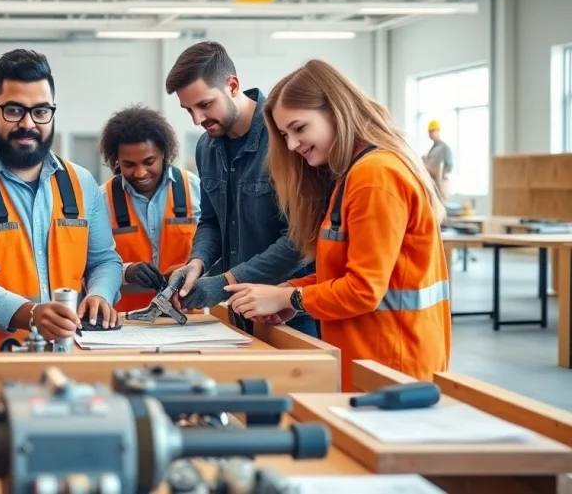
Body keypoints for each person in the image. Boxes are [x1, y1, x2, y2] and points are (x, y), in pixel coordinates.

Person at [225, 60, 451, 391]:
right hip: (372, 360)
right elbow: (343, 272)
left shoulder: (374, 176)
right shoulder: (351, 175)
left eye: (299, 128)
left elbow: (363, 290)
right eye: (285, 135)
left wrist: (290, 298)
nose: (292, 145)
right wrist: (287, 291)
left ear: (335, 112)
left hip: (393, 367)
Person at [0, 49, 124, 351]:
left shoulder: (82, 183)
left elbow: (104, 260)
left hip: (69, 357)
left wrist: (100, 293)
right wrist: (31, 314)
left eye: (40, 111)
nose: (28, 123)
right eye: (14, 110)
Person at [163, 41, 320, 338]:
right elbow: (211, 221)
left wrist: (224, 282)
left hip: (292, 314)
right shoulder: (206, 148)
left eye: (205, 105)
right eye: (188, 110)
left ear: (232, 86)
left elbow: (300, 239)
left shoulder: (285, 140)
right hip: (239, 312)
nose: (197, 120)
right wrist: (197, 263)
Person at [98, 104, 202, 312]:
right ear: (116, 159)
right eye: (129, 164)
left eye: (149, 161)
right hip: (125, 321)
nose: (140, 173)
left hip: (188, 318)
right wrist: (126, 272)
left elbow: (215, 251)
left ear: (163, 152)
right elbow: (91, 263)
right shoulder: (101, 200)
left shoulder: (194, 189)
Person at [422, 119, 453, 200]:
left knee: (441, 206)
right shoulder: (432, 149)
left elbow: (450, 168)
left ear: (438, 131)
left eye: (432, 131)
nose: (430, 134)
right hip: (433, 185)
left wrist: (435, 170)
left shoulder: (445, 148)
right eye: (429, 132)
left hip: (441, 186)